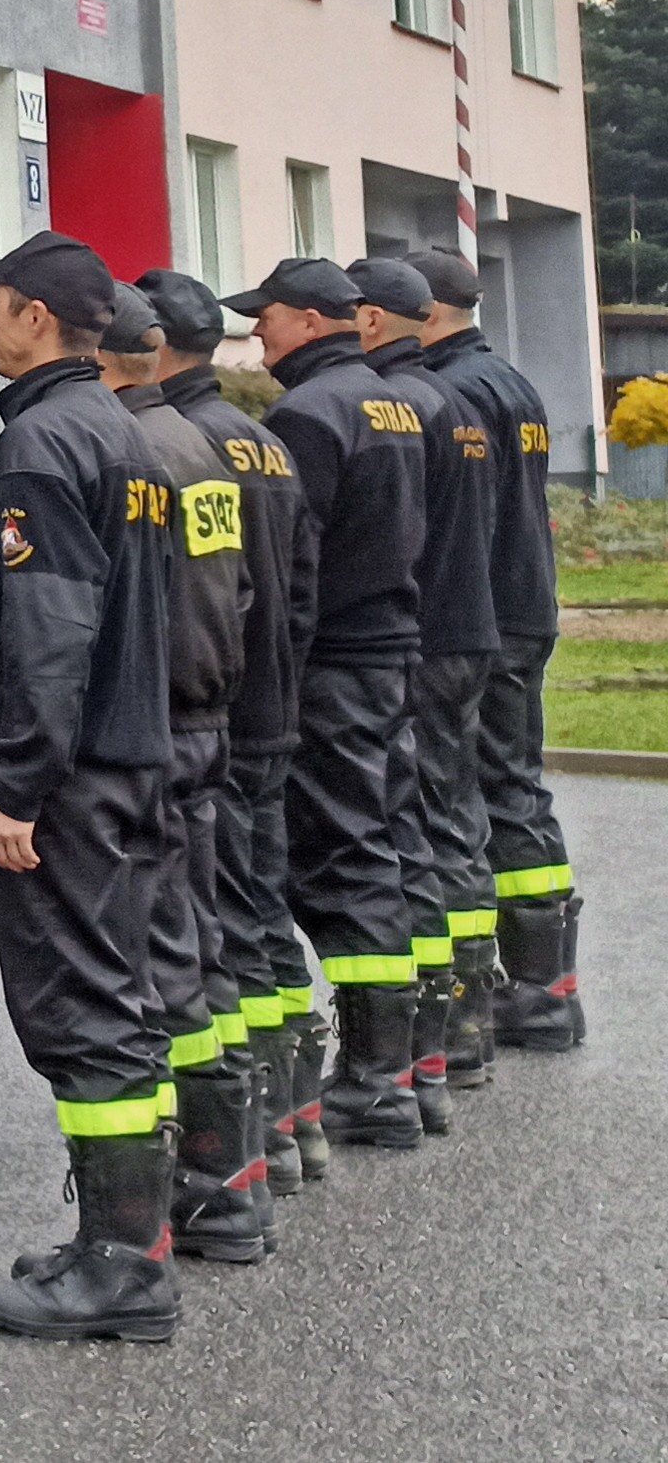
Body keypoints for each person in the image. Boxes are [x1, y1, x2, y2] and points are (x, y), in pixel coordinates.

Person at [0, 232, 182, 1345]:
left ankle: (121, 1271)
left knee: (83, 1011)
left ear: (35, 316)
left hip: (73, 775)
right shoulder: (124, 430)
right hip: (131, 753)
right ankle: (121, 1243)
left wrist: (19, 786)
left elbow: (50, 628)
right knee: (120, 999)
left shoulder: (42, 441)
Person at [225, 254, 429, 1149]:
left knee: (345, 859)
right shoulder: (393, 400)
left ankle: (378, 1084)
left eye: (265, 316)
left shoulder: (308, 413)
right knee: (378, 844)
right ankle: (397, 1072)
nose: (256, 332)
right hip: (388, 650)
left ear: (310, 320)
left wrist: (271, 677)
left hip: (334, 663)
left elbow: (290, 564)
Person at [141, 268, 326, 1195]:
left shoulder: (177, 443)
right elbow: (299, 584)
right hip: (271, 709)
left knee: (221, 929)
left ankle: (252, 1139)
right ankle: (293, 1121)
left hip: (216, 713)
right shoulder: (264, 440)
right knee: (262, 916)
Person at [99, 279, 269, 1265]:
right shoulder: (198, 444)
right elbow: (237, 593)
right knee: (198, 950)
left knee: (156, 959)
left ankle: (183, 1200)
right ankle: (227, 1183)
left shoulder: (133, 450)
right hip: (203, 716)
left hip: (155, 728)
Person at [413, 246, 587, 1050]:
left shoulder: (455, 391)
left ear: (426, 312)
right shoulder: (510, 381)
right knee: (516, 785)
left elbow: (464, 516)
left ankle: (488, 991)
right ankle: (546, 987)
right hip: (526, 602)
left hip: (483, 614)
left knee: (471, 796)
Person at [354, 252, 493, 1120]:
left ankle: (441, 1035)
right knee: (453, 817)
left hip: (427, 638)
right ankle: (461, 1027)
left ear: (371, 319)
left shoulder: (406, 403)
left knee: (422, 826)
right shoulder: (454, 400)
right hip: (466, 627)